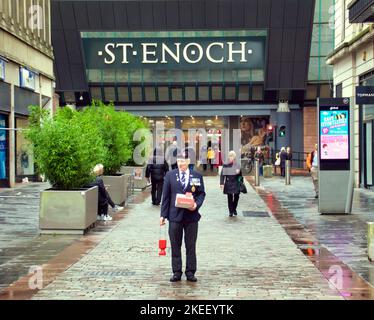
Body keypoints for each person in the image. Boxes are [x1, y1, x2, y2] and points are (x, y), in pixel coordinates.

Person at [160, 153, 206, 282]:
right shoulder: (170, 175)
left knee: (190, 245)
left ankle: (190, 271)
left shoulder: (196, 176)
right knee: (175, 245)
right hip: (174, 216)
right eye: (179, 161)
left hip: (191, 216)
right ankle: (177, 271)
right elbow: (166, 196)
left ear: (188, 161)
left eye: (183, 161)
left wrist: (196, 204)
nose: (181, 163)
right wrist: (163, 215)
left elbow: (201, 193)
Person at [220, 151, 242, 217]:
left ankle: (234, 208)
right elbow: (222, 174)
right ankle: (230, 211)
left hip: (236, 182)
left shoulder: (237, 164)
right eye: (230, 156)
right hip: (229, 182)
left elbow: (241, 175)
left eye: (232, 156)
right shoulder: (226, 164)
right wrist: (221, 183)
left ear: (234, 157)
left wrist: (239, 172)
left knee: (236, 196)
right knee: (229, 197)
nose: (231, 157)